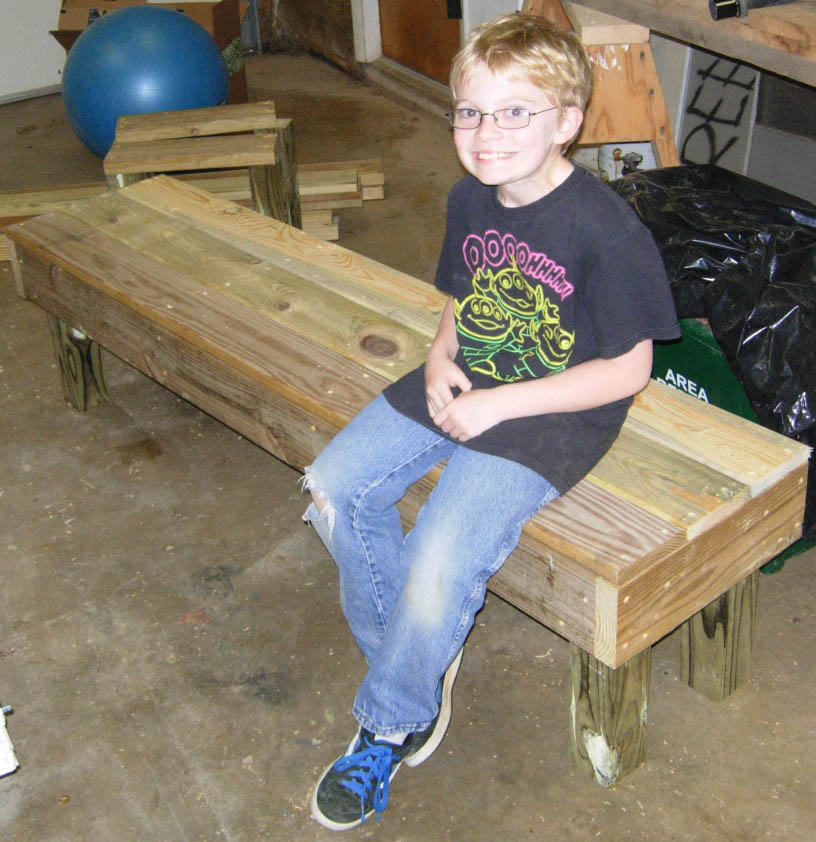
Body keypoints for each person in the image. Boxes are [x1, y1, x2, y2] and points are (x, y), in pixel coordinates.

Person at [302, 12, 679, 831]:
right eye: (470, 111)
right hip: (467, 374)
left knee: (440, 555)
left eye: (515, 112)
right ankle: (414, 662)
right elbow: (461, 296)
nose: (487, 133)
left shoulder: (606, 229)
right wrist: (440, 356)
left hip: (554, 412)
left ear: (567, 122)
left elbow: (629, 370)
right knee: (332, 486)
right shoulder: (469, 196)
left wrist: (498, 403)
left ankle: (391, 720)